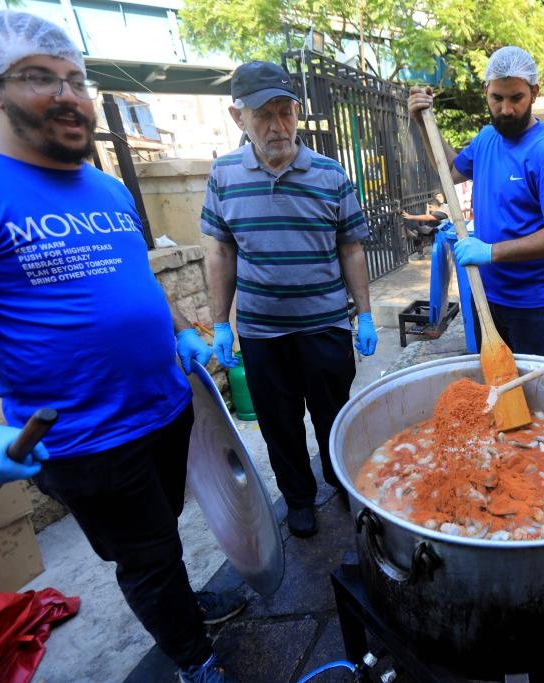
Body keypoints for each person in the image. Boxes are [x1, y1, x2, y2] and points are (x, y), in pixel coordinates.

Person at [0, 10, 245, 683]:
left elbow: (139, 280)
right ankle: (194, 660)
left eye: (77, 80)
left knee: (165, 527)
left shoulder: (108, 186)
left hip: (166, 405)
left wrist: (183, 328)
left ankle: (185, 604)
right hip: (85, 435)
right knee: (144, 554)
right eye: (41, 79)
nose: (69, 96)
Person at [201, 60, 378, 539]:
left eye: (286, 112)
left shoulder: (329, 174)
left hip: (324, 325)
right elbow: (219, 250)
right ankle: (299, 501)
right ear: (238, 117)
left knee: (333, 415)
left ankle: (342, 483)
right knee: (279, 425)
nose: (278, 126)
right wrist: (221, 322)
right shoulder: (223, 176)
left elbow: (351, 246)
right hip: (261, 331)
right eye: (264, 114)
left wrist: (364, 315)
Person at [407, 46, 544, 357]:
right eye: (497, 98)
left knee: (531, 392)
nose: (506, 109)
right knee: (493, 385)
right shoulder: (486, 138)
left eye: (516, 98)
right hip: (485, 294)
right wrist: (422, 122)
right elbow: (450, 171)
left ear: (534, 93)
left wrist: (490, 252)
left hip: (532, 306)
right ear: (486, 91)